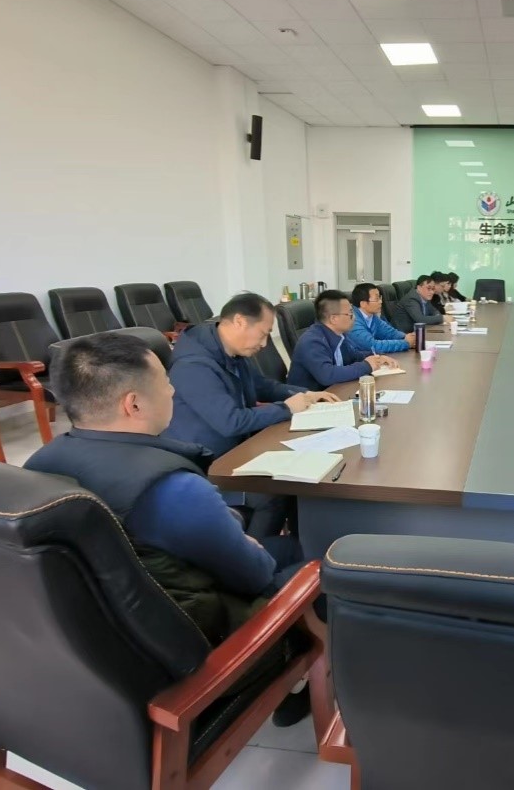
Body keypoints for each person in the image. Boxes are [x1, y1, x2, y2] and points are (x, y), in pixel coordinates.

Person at [24, 333, 313, 725]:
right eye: (165, 382)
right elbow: (254, 575)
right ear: (134, 404)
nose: (174, 390)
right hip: (194, 653)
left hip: (102, 649)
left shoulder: (39, 464)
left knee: (281, 547)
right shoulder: (171, 489)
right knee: (316, 570)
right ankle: (292, 683)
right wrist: (236, 536)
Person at [165, 292, 338, 539]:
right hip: (207, 463)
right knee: (274, 492)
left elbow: (261, 385)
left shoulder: (228, 350)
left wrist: (306, 394)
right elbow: (231, 421)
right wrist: (287, 408)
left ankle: (296, 545)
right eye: (264, 333)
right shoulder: (194, 365)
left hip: (237, 448)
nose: (265, 344)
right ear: (239, 322)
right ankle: (255, 553)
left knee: (300, 475)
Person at [288, 289, 398, 390]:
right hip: (311, 399)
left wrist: (377, 357)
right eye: (350, 314)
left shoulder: (339, 334)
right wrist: (366, 365)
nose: (354, 318)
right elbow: (327, 375)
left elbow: (354, 356)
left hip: (335, 391)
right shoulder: (312, 341)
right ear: (334, 318)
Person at [348, 282, 413, 353]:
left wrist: (407, 337)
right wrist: (405, 343)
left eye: (380, 297)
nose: (381, 301)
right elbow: (373, 346)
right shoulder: (352, 321)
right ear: (363, 304)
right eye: (377, 299)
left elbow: (389, 332)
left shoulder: (372, 317)